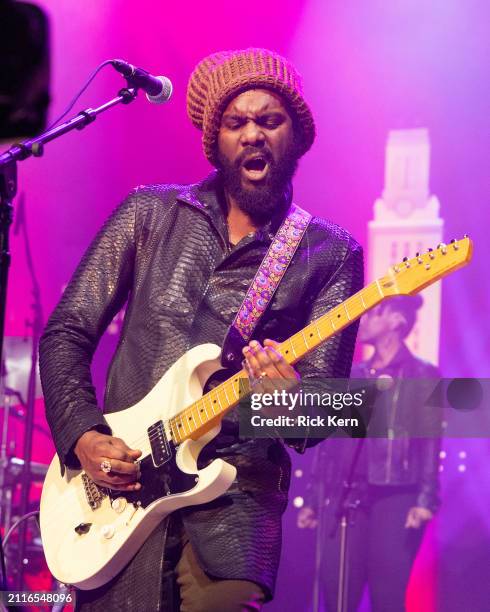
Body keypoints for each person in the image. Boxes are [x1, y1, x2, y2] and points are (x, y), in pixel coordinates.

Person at [39, 48, 364, 611]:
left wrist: (288, 402)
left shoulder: (330, 253)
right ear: (215, 140)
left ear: (297, 137)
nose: (253, 135)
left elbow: (322, 420)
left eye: (270, 120)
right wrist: (83, 437)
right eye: (237, 123)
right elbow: (66, 331)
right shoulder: (148, 213)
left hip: (234, 507)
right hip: (121, 496)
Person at [298, 295, 442, 612]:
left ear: (396, 322)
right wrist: (312, 498)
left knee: (387, 594)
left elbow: (431, 439)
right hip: (344, 493)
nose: (362, 320)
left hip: (396, 495)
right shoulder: (354, 375)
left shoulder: (423, 375)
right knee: (336, 593)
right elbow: (329, 441)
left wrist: (426, 498)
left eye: (373, 313)